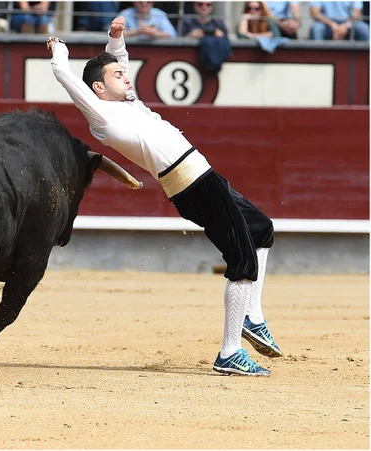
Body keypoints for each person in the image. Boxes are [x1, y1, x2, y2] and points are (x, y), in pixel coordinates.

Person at [47, 16, 281, 376]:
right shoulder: (102, 115)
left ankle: (253, 315)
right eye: (116, 76)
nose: (126, 76)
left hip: (202, 176)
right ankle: (230, 351)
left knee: (262, 229)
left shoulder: (128, 104)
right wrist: (59, 54)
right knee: (242, 262)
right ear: (98, 89)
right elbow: (67, 79)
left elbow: (117, 63)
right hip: (193, 183)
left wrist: (115, 40)